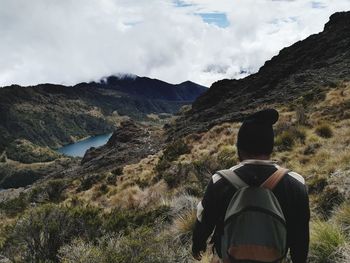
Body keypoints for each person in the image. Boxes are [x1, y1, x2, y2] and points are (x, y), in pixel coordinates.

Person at [192, 109, 310, 263]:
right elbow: (300, 236)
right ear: (270, 147)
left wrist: (197, 247)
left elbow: (204, 221)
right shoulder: (295, 184)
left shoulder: (219, 181)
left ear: (239, 149)